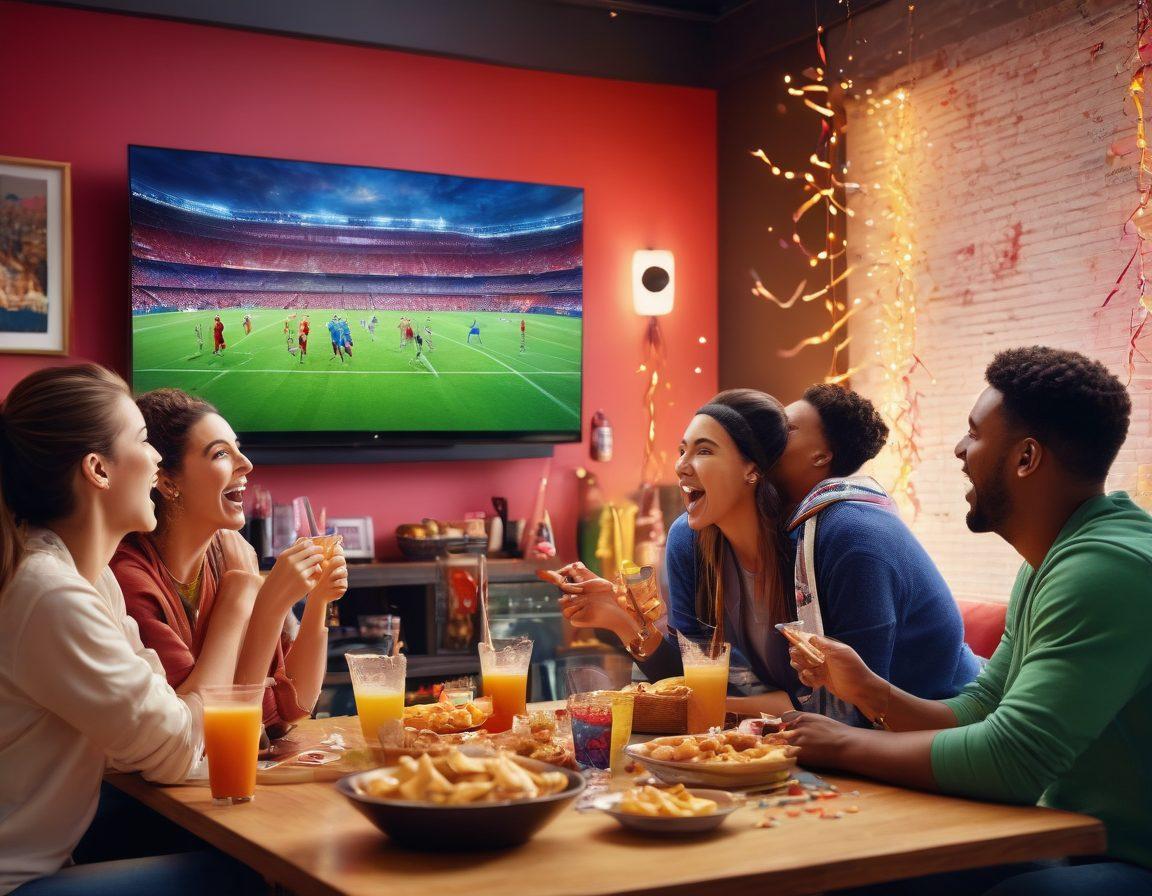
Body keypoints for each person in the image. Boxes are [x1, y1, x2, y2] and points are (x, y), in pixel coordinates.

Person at [785, 347, 1152, 895]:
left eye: (974, 433)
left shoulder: (1105, 568)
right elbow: (982, 708)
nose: (959, 450)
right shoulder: (1051, 561)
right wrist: (869, 691)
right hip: (1074, 840)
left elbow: (1012, 757)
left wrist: (839, 745)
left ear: (1026, 458)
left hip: (1130, 857)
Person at [555, 387, 979, 724]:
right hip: (834, 731)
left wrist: (723, 709)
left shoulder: (848, 537)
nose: (681, 465)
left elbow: (850, 711)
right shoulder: (692, 538)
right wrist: (623, 622)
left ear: (753, 466)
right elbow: (696, 681)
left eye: (786, 430)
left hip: (935, 720)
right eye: (682, 449)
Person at [0, 364, 259, 895]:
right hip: (17, 879)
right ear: (98, 468)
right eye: (143, 440)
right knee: (252, 876)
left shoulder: (87, 576)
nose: (157, 459)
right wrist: (238, 601)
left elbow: (150, 734)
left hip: (53, 858)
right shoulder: (51, 593)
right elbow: (177, 750)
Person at [112, 389, 348, 740]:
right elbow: (218, 738)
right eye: (220, 453)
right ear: (167, 481)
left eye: (238, 447)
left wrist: (317, 603)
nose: (246, 464)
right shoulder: (131, 579)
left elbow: (290, 708)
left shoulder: (232, 552)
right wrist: (262, 603)